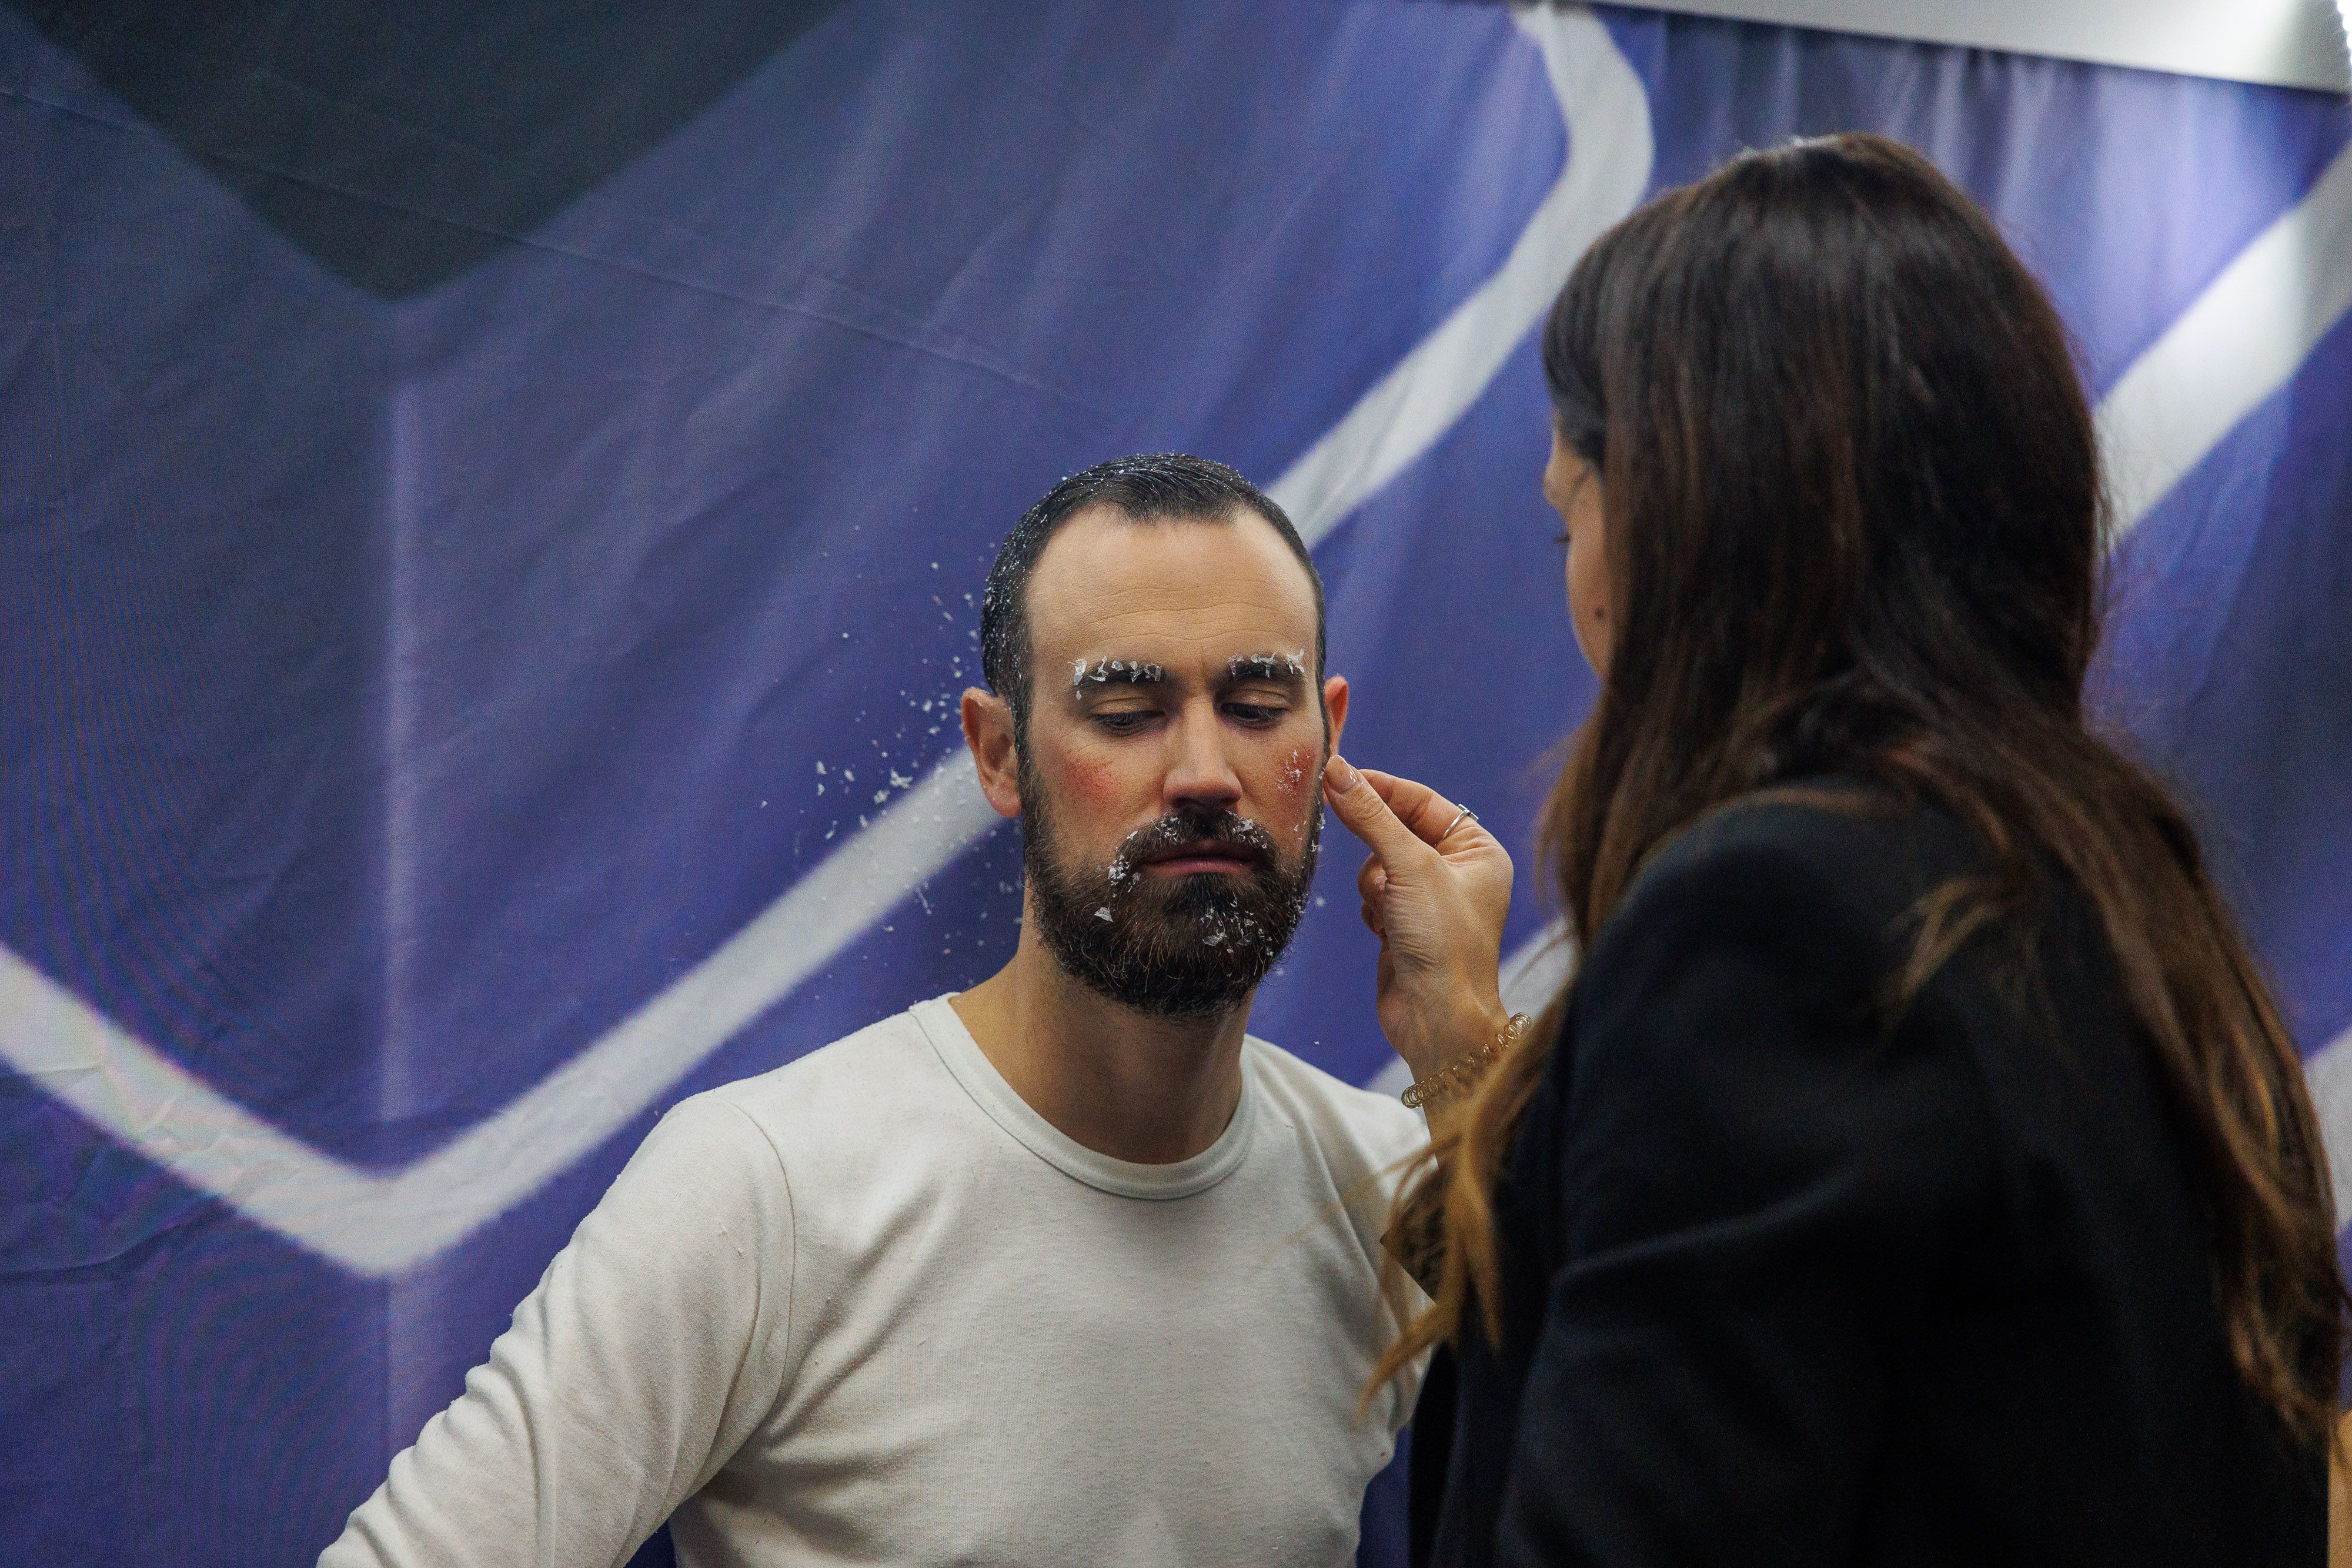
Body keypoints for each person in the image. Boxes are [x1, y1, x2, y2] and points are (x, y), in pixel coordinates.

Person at [1319, 132, 2346, 1566]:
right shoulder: (2130, 907)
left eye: (1570, 518)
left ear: (1684, 520)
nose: (1579, 585)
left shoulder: (1773, 918)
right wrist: (1466, 1054)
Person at [319, 453, 1433, 1567]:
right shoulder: (769, 1190)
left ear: (1328, 738)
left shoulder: (1387, 1191)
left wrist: (1469, 1049)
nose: (1204, 771)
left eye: (1255, 708)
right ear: (1000, 755)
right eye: (1128, 712)